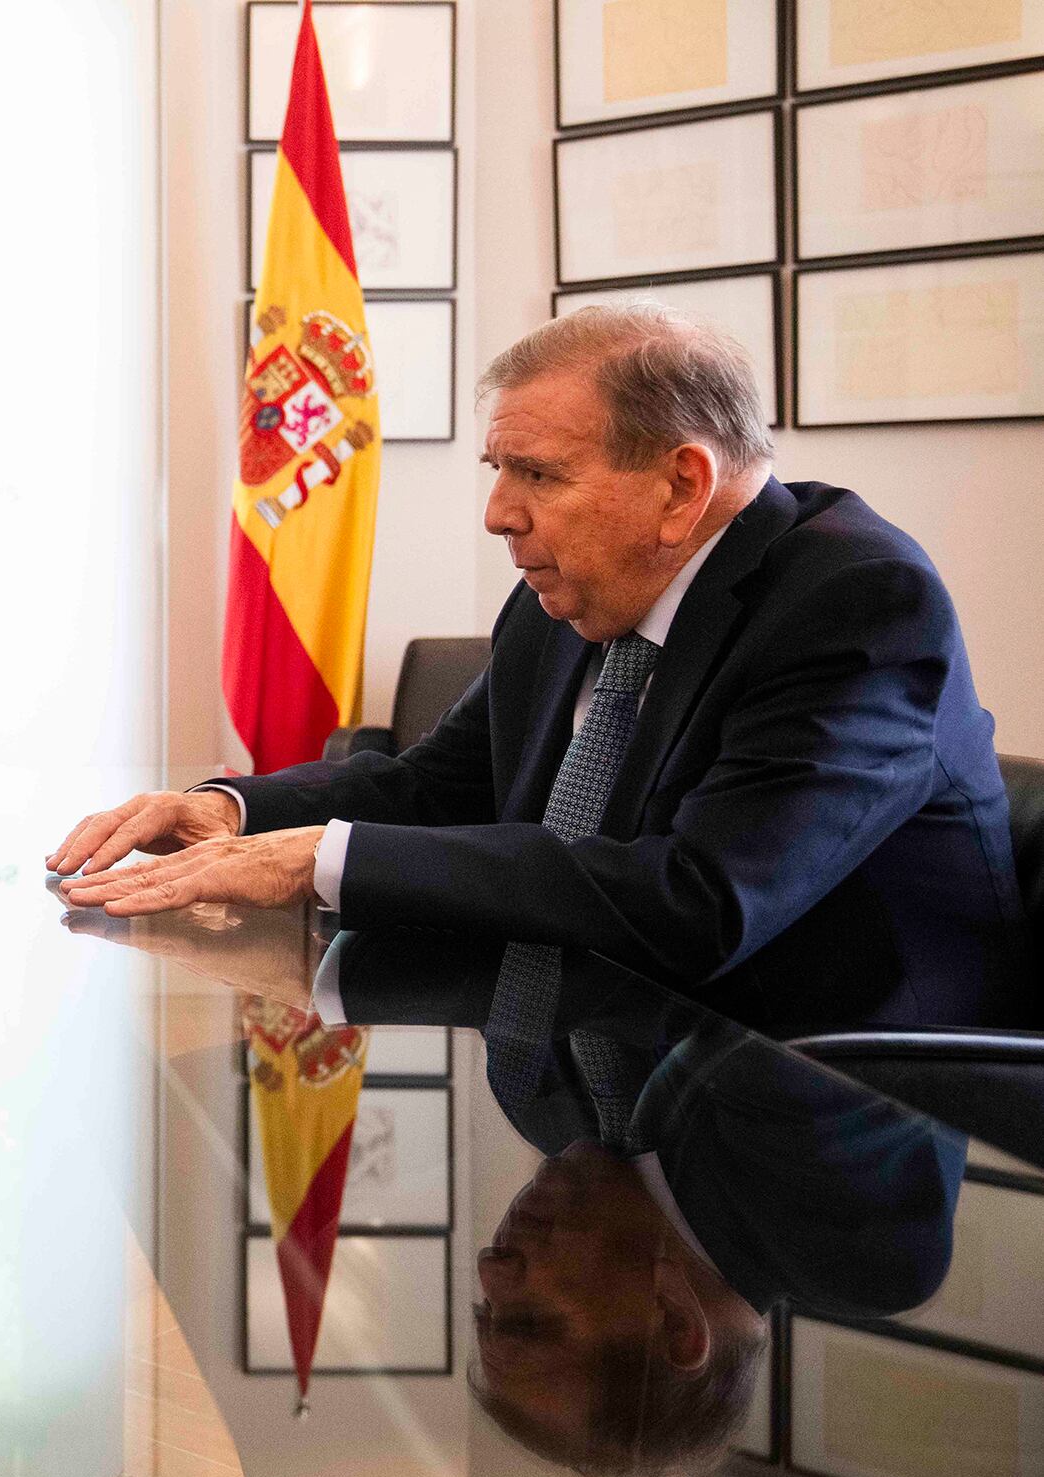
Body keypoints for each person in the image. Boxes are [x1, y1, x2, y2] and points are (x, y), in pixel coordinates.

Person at [51, 305, 1028, 1015]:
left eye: (536, 474)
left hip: (822, 1116)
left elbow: (701, 900)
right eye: (498, 471)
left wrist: (315, 859)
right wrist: (231, 812)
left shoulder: (855, 601)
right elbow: (441, 787)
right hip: (598, 1050)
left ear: (681, 485)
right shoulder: (566, 593)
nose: (497, 514)